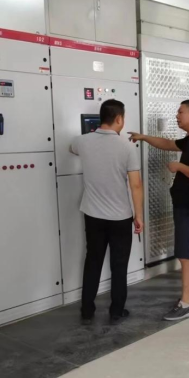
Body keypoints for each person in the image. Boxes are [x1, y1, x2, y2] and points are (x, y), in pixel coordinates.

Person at [129, 100, 189, 321]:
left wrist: (180, 167)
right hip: (187, 206)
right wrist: (144, 137)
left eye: (180, 111)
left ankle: (186, 304)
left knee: (186, 256)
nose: (177, 115)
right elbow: (168, 144)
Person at [70, 99, 144, 326]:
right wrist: (139, 216)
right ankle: (116, 311)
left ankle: (87, 310)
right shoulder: (127, 147)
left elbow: (71, 148)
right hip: (120, 217)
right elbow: (136, 185)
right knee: (119, 265)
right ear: (119, 118)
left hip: (92, 215)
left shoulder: (82, 141)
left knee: (92, 261)